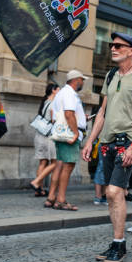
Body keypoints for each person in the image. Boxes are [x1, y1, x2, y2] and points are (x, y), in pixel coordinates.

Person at [81, 32, 132, 262]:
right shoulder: (111, 75)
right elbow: (102, 112)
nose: (113, 48)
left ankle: (119, 243)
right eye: (112, 45)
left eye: (119, 46)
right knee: (112, 196)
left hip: (127, 142)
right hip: (107, 143)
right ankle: (116, 242)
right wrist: (90, 140)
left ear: (131, 50)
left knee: (113, 192)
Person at [45, 70, 87, 211]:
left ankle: (51, 197)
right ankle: (61, 200)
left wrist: (81, 118)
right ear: (76, 80)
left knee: (60, 165)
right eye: (82, 79)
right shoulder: (70, 93)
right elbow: (69, 114)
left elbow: (55, 115)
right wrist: (75, 133)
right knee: (68, 166)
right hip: (69, 134)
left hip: (61, 132)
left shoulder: (61, 93)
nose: (83, 82)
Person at [30, 83, 60, 196]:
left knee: (42, 162)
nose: (60, 92)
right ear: (53, 90)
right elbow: (54, 121)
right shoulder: (53, 104)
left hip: (39, 135)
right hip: (48, 137)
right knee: (55, 162)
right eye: (58, 90)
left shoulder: (45, 102)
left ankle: (39, 189)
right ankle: (36, 183)